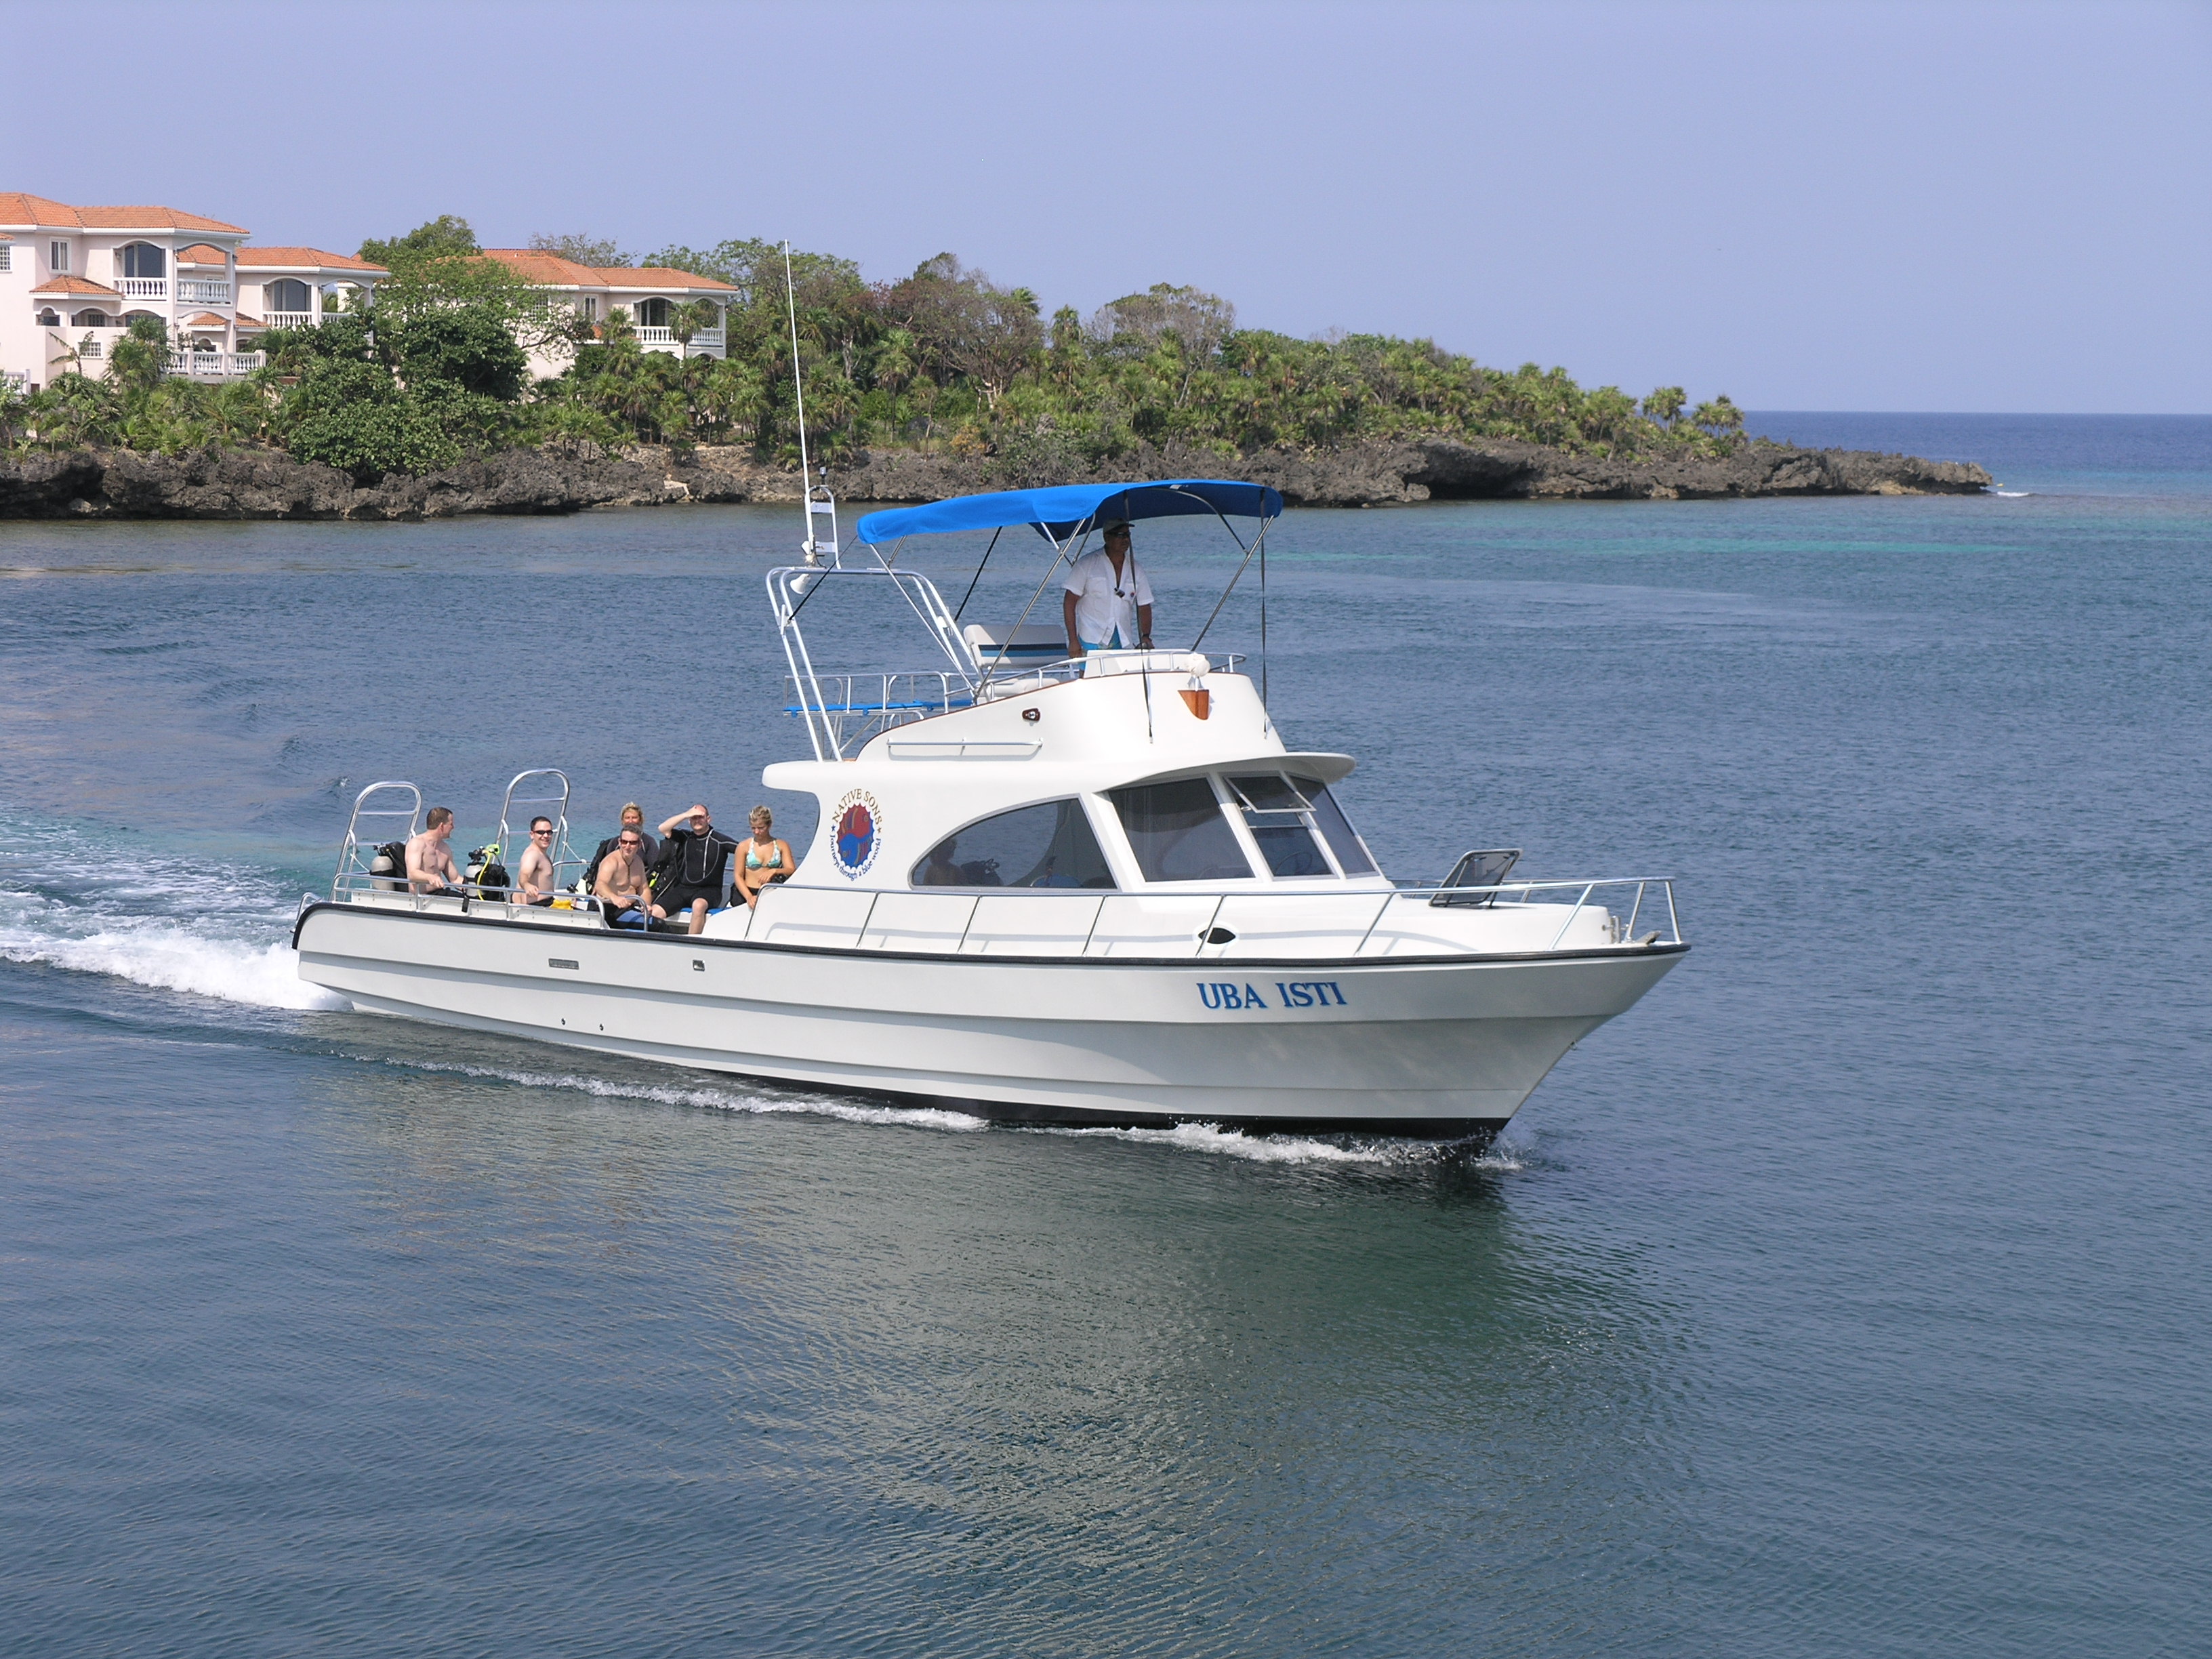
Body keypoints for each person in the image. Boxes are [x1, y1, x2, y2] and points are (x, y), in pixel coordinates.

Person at [1062, 518, 1154, 656]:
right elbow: (1069, 603)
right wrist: (1073, 640)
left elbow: (1144, 605)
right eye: (1120, 535)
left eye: (1128, 535)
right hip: (1091, 638)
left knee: (1121, 677)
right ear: (1107, 537)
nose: (1125, 540)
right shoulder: (1087, 564)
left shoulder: (1136, 569)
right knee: (1088, 677)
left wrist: (1146, 636)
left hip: (1123, 640)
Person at [657, 804, 741, 935]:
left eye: (701, 817)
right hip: (684, 889)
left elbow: (743, 850)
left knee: (698, 906)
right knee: (655, 911)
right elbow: (663, 828)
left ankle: (691, 944)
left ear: (709, 819)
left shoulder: (720, 840)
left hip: (710, 890)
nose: (697, 821)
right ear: (689, 820)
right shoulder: (685, 837)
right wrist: (686, 814)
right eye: (693, 818)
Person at [583, 802, 659, 898]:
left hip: (639, 885)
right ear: (623, 821)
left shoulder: (648, 842)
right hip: (615, 894)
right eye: (627, 818)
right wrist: (598, 887)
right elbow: (605, 871)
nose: (631, 821)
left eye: (634, 817)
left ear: (641, 820)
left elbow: (655, 868)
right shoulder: (614, 843)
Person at [596, 828, 664, 930]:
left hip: (627, 909)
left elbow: (644, 889)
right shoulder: (611, 861)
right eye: (624, 842)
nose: (628, 846)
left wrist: (647, 906)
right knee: (657, 925)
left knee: (656, 921)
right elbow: (600, 885)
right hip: (609, 910)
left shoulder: (638, 862)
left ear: (639, 845)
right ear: (619, 842)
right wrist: (614, 898)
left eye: (632, 843)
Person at [735, 806, 796, 908]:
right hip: (749, 891)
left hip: (771, 892)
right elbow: (738, 876)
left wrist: (774, 871)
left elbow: (791, 870)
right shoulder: (744, 846)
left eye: (761, 828)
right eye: (753, 828)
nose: (757, 832)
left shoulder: (781, 845)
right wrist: (749, 897)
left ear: (769, 826)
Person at [406, 806, 465, 895]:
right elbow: (413, 874)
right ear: (441, 826)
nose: (453, 827)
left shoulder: (445, 848)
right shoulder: (417, 843)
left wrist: (475, 886)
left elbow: (455, 879)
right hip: (421, 897)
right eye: (451, 824)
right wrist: (430, 877)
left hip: (439, 894)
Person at [516, 816, 558, 905]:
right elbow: (524, 873)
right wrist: (526, 885)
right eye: (541, 832)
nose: (546, 836)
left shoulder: (542, 853)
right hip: (536, 906)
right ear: (532, 835)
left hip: (547, 902)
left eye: (549, 832)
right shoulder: (532, 855)